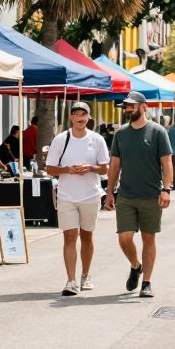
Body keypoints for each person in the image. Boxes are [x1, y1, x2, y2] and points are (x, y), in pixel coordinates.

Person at [105, 90, 173, 299]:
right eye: (126, 105)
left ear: (143, 107)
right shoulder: (121, 134)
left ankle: (146, 282)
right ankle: (136, 266)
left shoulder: (158, 132)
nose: (128, 108)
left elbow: (167, 163)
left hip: (151, 194)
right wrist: (109, 192)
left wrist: (166, 189)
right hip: (126, 194)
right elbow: (115, 165)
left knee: (148, 238)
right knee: (124, 238)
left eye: (131, 105)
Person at [45, 102, 110, 296]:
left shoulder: (97, 139)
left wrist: (90, 168)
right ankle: (70, 281)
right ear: (71, 117)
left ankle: (86, 276)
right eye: (76, 114)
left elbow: (105, 168)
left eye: (84, 114)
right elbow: (49, 168)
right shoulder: (60, 139)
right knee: (70, 236)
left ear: (89, 118)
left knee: (87, 236)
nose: (80, 117)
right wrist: (68, 170)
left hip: (90, 195)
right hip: (66, 196)